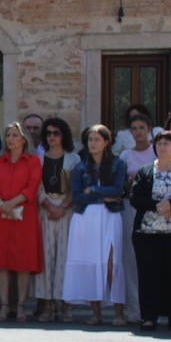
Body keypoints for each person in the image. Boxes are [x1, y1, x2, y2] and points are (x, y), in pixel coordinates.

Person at [129, 132, 171, 331]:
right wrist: (157, 206)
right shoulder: (145, 171)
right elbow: (135, 197)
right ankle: (149, 317)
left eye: (167, 143)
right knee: (148, 275)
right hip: (148, 234)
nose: (163, 147)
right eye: (159, 144)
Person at [63, 124, 127, 325]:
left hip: (110, 216)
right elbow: (77, 196)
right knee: (91, 262)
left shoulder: (118, 164)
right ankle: (96, 313)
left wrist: (93, 190)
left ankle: (119, 314)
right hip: (86, 217)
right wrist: (103, 194)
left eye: (97, 139)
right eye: (90, 140)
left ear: (106, 142)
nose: (92, 143)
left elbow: (118, 190)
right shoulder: (80, 168)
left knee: (111, 263)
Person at [0, 121, 43, 322]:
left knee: (23, 262)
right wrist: (0, 203)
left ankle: (21, 306)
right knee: (1, 261)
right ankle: (5, 306)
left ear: (24, 139)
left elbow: (32, 187)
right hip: (0, 216)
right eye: (8, 135)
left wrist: (11, 203)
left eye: (15, 135)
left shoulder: (33, 162)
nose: (10, 139)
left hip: (24, 217)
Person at [33, 118, 79, 322]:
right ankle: (47, 304)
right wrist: (49, 206)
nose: (52, 137)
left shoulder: (73, 159)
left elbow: (75, 187)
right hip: (45, 210)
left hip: (66, 210)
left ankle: (65, 304)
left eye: (56, 133)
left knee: (65, 257)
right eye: (48, 133)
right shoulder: (39, 159)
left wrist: (62, 207)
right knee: (46, 257)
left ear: (63, 135)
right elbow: (36, 186)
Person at [118, 114, 156, 323]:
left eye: (142, 127)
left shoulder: (157, 151)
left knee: (153, 259)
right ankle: (134, 310)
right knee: (131, 258)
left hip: (154, 210)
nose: (138, 132)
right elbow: (121, 184)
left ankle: (154, 309)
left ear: (149, 129)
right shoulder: (125, 155)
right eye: (134, 128)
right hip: (131, 208)